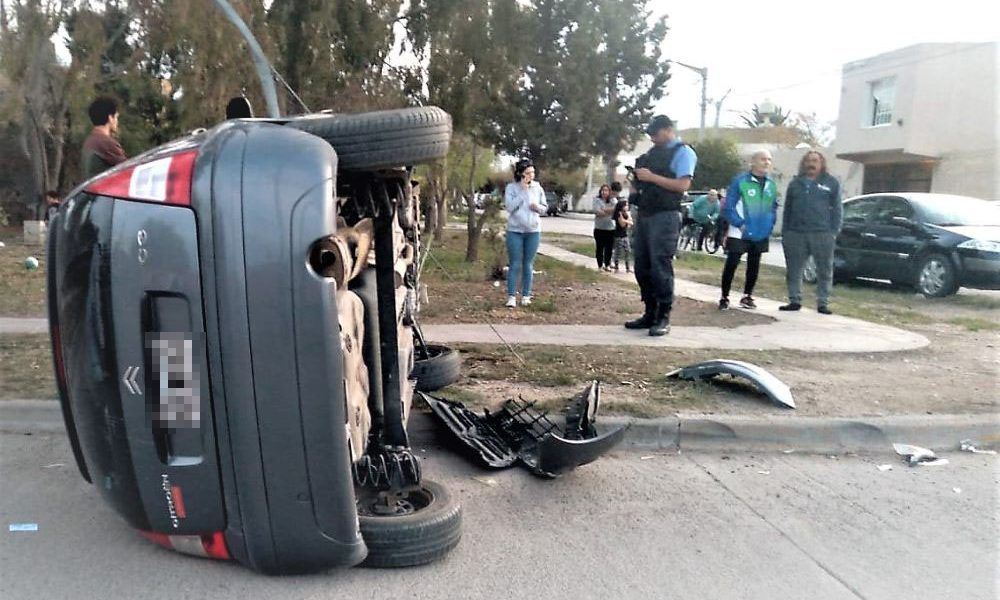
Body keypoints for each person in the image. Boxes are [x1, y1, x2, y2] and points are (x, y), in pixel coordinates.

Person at [625, 115, 698, 336]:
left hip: (666, 215)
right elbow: (640, 182)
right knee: (642, 266)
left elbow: (682, 185)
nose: (653, 139)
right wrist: (635, 184)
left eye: (655, 134)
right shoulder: (650, 155)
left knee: (660, 266)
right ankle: (649, 311)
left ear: (668, 130)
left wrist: (652, 177)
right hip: (646, 213)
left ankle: (663, 315)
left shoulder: (683, 152)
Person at [780, 150, 842, 315]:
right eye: (808, 161)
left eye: (815, 160)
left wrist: (834, 232)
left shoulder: (831, 183)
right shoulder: (795, 183)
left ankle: (823, 303)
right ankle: (794, 300)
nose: (811, 164)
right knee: (794, 269)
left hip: (822, 234)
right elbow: (787, 210)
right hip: (796, 234)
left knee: (824, 270)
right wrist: (786, 233)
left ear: (821, 164)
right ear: (803, 164)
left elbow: (837, 209)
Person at [719, 150, 778, 310]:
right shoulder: (740, 181)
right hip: (740, 231)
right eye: (762, 159)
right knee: (732, 263)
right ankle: (724, 296)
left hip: (760, 232)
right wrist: (739, 223)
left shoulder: (771, 184)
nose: (766, 162)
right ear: (753, 162)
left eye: (769, 159)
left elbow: (773, 207)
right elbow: (729, 206)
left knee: (754, 264)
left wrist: (770, 224)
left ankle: (747, 296)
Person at [504, 159, 548, 307]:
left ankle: (526, 295)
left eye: (533, 173)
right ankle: (511, 296)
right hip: (515, 230)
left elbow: (544, 207)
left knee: (528, 264)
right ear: (520, 174)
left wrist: (538, 208)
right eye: (528, 173)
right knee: (515, 263)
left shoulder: (537, 187)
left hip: (533, 230)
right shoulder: (512, 188)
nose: (531, 176)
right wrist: (522, 192)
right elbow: (510, 207)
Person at [82, 96, 127, 179]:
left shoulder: (89, 141)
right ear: (110, 118)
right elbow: (128, 170)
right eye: (116, 117)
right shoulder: (106, 143)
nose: (117, 121)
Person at [592, 184, 617, 271]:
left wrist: (604, 210)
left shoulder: (613, 200)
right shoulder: (597, 200)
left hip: (610, 228)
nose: (604, 192)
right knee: (599, 248)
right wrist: (609, 211)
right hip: (599, 228)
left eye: (606, 190)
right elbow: (597, 212)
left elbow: (616, 210)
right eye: (603, 190)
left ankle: (607, 265)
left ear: (609, 192)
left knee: (609, 248)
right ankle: (600, 266)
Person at [612, 195, 633, 272]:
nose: (627, 207)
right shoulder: (618, 214)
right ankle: (616, 267)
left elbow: (631, 223)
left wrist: (626, 220)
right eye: (626, 205)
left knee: (628, 251)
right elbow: (622, 224)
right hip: (618, 236)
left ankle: (628, 268)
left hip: (625, 235)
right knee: (618, 251)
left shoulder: (626, 214)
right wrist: (627, 221)